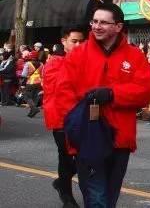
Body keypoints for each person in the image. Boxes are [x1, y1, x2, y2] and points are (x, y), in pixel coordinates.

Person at [57, 3, 150, 208]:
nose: (96, 26)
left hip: (120, 138)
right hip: (89, 138)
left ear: (118, 27)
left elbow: (145, 92)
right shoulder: (78, 54)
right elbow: (63, 94)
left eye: (103, 22)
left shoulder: (134, 55)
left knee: (109, 197)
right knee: (96, 198)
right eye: (94, 21)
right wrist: (75, 130)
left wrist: (113, 94)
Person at [43, 28, 85, 208]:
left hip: (82, 119)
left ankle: (62, 183)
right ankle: (66, 195)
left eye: (81, 41)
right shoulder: (54, 63)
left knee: (82, 159)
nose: (78, 45)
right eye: (74, 41)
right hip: (62, 119)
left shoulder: (85, 62)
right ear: (64, 41)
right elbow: (60, 92)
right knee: (66, 158)